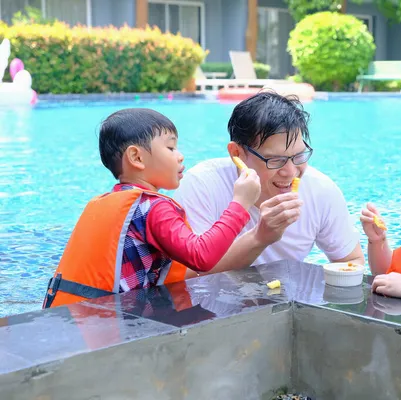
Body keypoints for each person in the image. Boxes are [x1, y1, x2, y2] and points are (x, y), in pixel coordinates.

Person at [43, 108, 261, 308]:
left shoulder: (111, 201)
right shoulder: (154, 208)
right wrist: (241, 203)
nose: (180, 155)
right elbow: (201, 257)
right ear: (137, 157)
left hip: (75, 316)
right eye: (170, 147)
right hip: (114, 327)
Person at [173, 92, 364, 272]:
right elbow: (186, 279)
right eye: (275, 160)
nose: (290, 172)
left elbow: (351, 262)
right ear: (236, 154)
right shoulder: (203, 185)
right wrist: (259, 237)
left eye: (298, 156)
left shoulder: (320, 190)